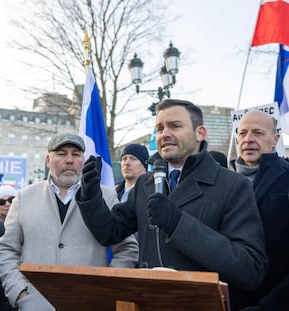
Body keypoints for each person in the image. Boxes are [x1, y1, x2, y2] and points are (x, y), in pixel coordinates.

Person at [76, 99, 268, 311]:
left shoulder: (232, 185)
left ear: (200, 133)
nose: (164, 134)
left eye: (175, 126)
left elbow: (250, 269)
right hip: (147, 303)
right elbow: (109, 232)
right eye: (159, 128)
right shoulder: (145, 183)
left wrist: (178, 223)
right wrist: (90, 195)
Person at [0, 133, 139, 310]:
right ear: (48, 160)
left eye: (76, 154)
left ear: (84, 160)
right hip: (36, 305)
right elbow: (6, 249)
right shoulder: (24, 197)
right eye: (62, 153)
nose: (69, 160)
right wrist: (20, 293)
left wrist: (106, 290)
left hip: (90, 304)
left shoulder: (107, 197)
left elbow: (127, 249)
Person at [233, 110, 289, 310]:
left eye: (257, 133)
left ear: (275, 139)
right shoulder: (221, 181)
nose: (248, 139)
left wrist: (269, 306)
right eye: (242, 133)